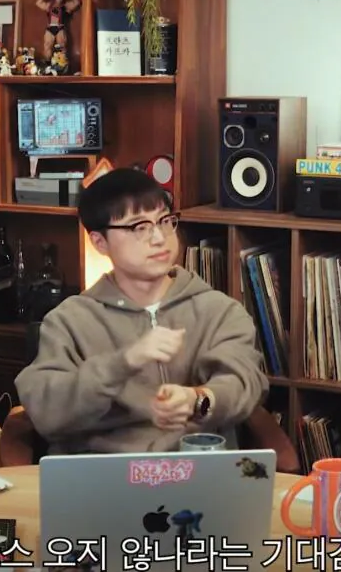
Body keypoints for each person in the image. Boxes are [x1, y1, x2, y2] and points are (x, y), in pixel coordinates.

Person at [15, 168, 268, 454]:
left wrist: (196, 400)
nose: (159, 238)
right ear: (99, 242)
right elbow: (46, 412)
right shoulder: (68, 321)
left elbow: (245, 382)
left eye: (164, 221)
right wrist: (122, 363)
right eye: (139, 227)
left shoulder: (218, 310)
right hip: (103, 472)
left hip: (196, 468)